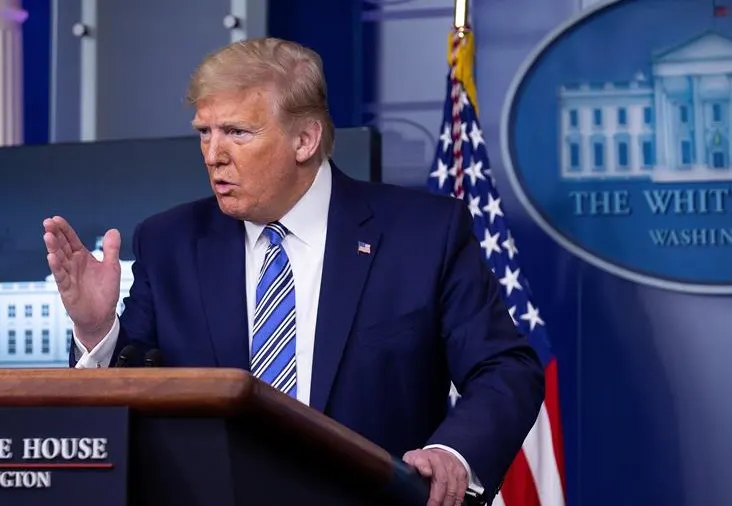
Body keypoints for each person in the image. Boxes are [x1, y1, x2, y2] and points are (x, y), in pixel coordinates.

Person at [43, 37, 543, 506]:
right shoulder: (169, 242)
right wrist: (95, 331)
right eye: (205, 133)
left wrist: (453, 454)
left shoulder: (422, 234)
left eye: (238, 132)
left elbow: (505, 368)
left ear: (305, 139)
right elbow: (136, 393)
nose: (213, 155)